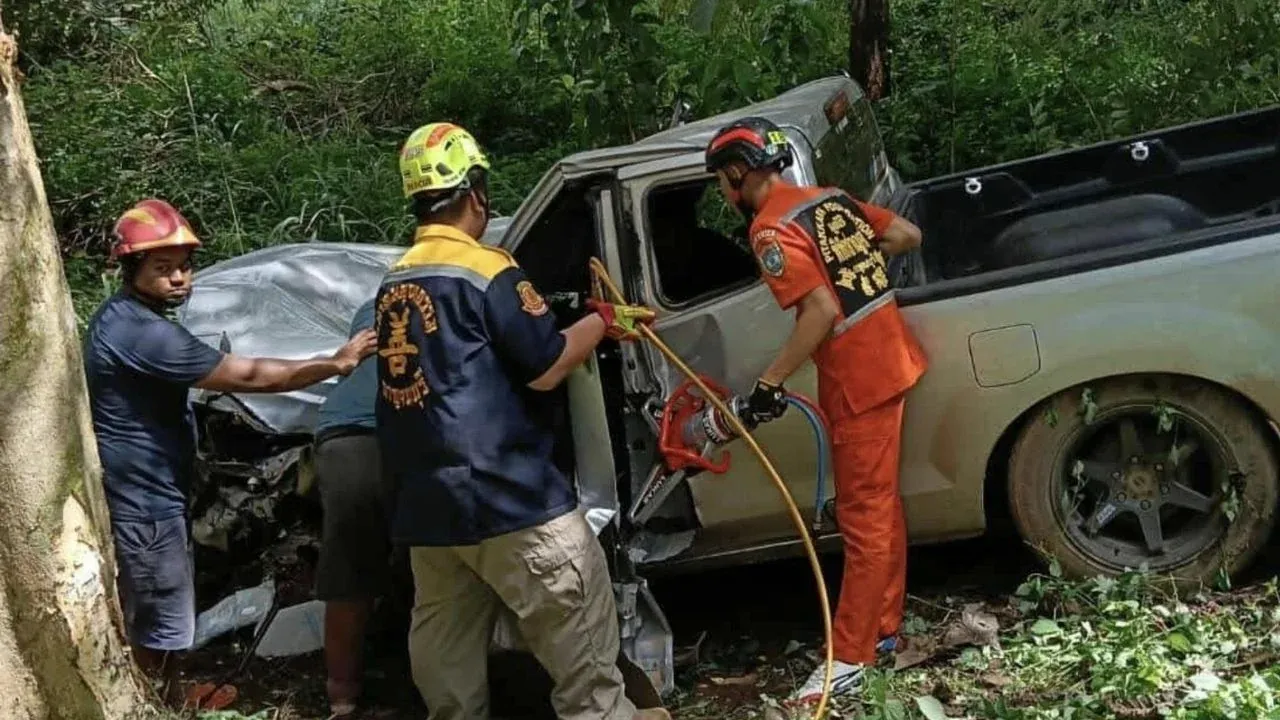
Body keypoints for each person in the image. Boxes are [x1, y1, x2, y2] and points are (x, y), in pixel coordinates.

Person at [374, 122, 668, 720]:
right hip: (508, 500)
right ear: (475, 192)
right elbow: (546, 365)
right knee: (587, 673)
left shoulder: (394, 279)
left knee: (450, 681)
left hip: (429, 513)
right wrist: (604, 322)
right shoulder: (487, 269)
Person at [83, 198, 377, 705]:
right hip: (144, 493)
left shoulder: (128, 316)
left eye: (183, 267)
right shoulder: (140, 333)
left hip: (154, 482)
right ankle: (159, 700)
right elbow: (246, 376)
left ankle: (170, 689)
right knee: (159, 600)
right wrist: (334, 363)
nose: (179, 278)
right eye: (162, 268)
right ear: (130, 269)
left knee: (165, 596)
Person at [703, 117, 929, 704]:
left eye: (723, 183)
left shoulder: (769, 230)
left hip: (858, 383)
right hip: (894, 361)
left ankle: (849, 656)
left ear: (736, 175)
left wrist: (768, 385)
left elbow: (821, 311)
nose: (725, 195)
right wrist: (854, 260)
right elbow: (906, 234)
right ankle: (882, 631)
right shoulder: (828, 200)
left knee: (863, 520)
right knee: (880, 507)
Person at [311, 295, 401, 718]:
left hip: (343, 432)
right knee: (435, 562)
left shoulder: (377, 300)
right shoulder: (451, 288)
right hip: (378, 430)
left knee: (352, 567)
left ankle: (344, 696)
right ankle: (347, 695)